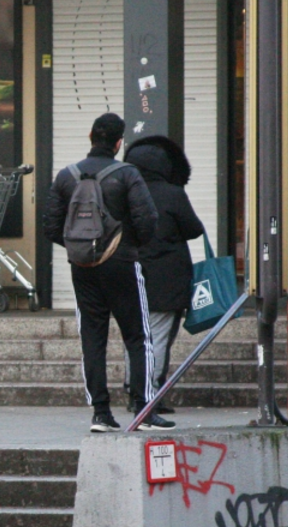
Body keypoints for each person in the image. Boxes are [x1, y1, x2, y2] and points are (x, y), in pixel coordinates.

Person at [44, 112, 172, 432]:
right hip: (122, 263)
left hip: (82, 267)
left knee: (92, 337)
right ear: (118, 143)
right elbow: (148, 220)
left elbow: (50, 226)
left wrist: (82, 248)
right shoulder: (127, 174)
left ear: (90, 136)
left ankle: (101, 414)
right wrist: (128, 247)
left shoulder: (65, 176)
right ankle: (143, 411)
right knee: (138, 337)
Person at [123, 135, 205, 415]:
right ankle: (148, 394)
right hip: (165, 279)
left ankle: (133, 389)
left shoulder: (121, 190)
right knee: (157, 337)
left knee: (134, 337)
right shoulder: (172, 193)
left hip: (126, 275)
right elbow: (194, 229)